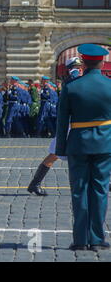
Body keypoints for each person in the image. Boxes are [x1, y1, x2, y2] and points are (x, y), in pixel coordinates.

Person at [55, 44, 111, 251]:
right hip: (105, 142)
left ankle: (80, 239)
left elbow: (62, 121)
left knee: (79, 191)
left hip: (78, 143)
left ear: (83, 61)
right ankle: (97, 238)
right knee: (100, 190)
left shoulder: (71, 86)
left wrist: (60, 148)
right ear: (102, 62)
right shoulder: (109, 85)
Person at [27, 57, 83, 196]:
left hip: (78, 123)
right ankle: (35, 183)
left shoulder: (75, 81)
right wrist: (74, 76)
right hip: (71, 124)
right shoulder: (71, 82)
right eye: (76, 67)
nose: (80, 69)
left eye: (80, 67)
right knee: (55, 153)